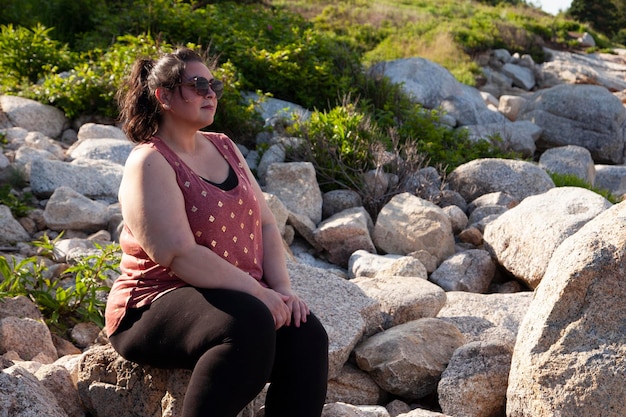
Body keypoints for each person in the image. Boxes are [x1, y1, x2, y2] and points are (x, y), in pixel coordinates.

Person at [104, 47, 329, 417]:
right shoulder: (150, 162)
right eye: (197, 84)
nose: (210, 93)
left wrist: (283, 294)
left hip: (233, 298)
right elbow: (179, 254)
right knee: (249, 323)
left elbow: (266, 223)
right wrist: (259, 294)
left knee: (306, 333)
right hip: (152, 304)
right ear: (163, 96)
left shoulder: (224, 147)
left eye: (213, 84)